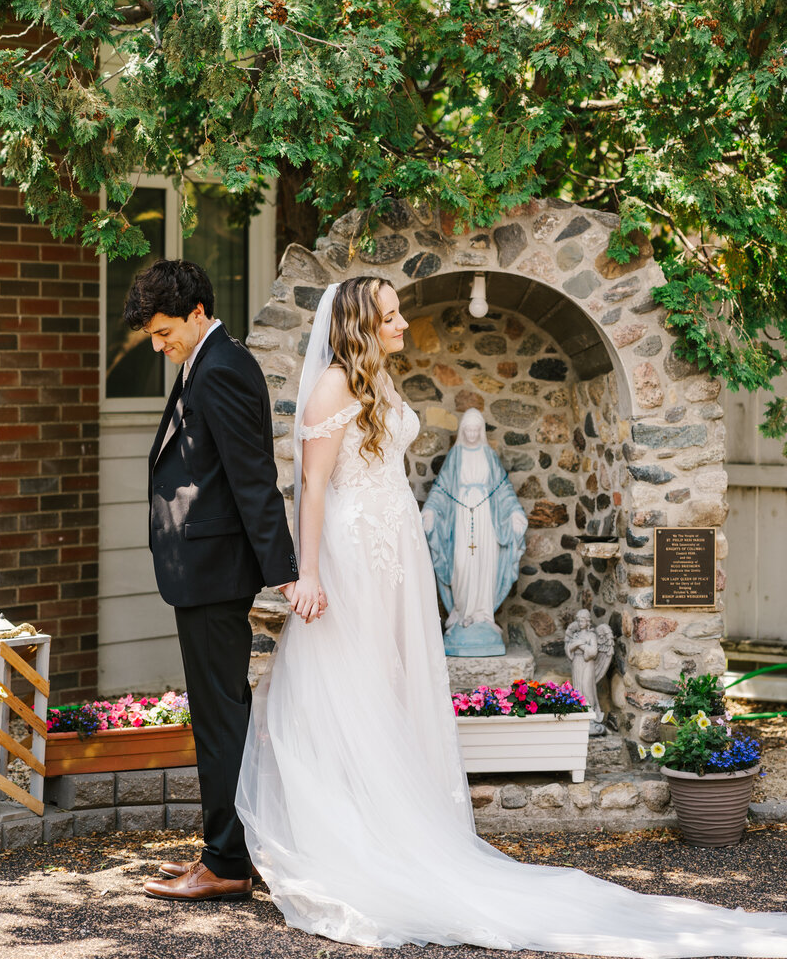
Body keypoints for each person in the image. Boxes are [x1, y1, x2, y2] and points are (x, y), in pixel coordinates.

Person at [236, 276, 787, 957]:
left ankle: (390, 825)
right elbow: (313, 485)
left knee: (390, 677)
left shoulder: (376, 377)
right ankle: (351, 835)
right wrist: (309, 572)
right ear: (359, 325)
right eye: (390, 316)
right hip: (355, 548)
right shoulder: (330, 387)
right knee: (346, 677)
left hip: (396, 548)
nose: (403, 323)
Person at [122, 259, 314, 904]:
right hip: (202, 570)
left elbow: (253, 476)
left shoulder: (223, 366)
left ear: (198, 312)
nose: (158, 344)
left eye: (164, 331)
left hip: (214, 571)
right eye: (151, 335)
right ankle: (233, 852)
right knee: (221, 714)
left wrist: (285, 572)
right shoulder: (205, 360)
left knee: (219, 719)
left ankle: (227, 862)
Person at [422, 407, 527, 656]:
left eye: (475, 430)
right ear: (462, 431)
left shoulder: (489, 456)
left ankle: (482, 615)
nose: (471, 434)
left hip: (486, 519)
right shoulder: (455, 456)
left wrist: (514, 513)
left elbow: (503, 490)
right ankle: (462, 614)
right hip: (460, 517)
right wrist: (430, 511)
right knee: (461, 565)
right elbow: (441, 488)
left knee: (485, 566)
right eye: (467, 429)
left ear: (481, 431)